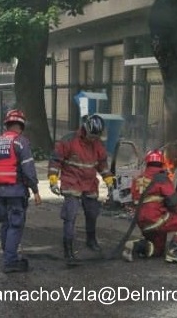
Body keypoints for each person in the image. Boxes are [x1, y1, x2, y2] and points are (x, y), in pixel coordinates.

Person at [48, 114, 114, 266]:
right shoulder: (68, 141)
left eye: (95, 137)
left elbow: (102, 164)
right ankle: (68, 248)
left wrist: (108, 179)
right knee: (70, 216)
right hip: (71, 182)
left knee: (92, 213)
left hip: (90, 183)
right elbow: (55, 161)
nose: (93, 139)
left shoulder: (97, 144)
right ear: (85, 129)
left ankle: (91, 240)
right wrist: (53, 179)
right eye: (91, 136)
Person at [0, 109, 42, 274]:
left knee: (5, 224)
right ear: (21, 125)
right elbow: (28, 169)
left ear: (7, 124)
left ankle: (8, 255)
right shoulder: (21, 142)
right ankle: (10, 261)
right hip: (16, 192)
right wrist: (35, 191)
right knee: (15, 226)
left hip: (1, 192)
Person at [122, 149, 177, 264]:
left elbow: (134, 199)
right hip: (156, 219)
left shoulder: (138, 179)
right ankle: (176, 252)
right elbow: (173, 203)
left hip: (142, 222)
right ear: (162, 163)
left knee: (157, 250)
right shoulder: (162, 178)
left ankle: (135, 246)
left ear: (147, 163)